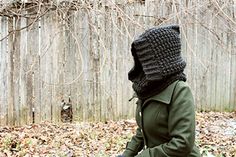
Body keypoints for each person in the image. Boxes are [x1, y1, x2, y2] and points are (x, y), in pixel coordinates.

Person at [118, 25, 201, 157]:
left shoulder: (179, 91)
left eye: (146, 59)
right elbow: (143, 131)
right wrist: (127, 154)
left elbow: (182, 143)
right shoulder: (147, 89)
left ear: (161, 59)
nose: (142, 64)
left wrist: (144, 155)